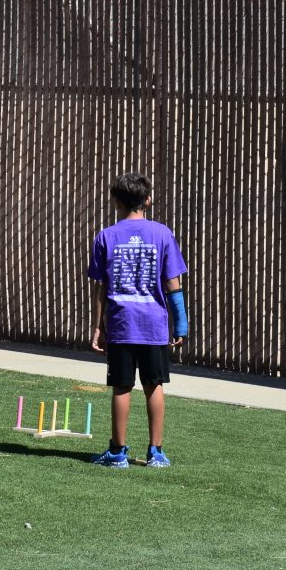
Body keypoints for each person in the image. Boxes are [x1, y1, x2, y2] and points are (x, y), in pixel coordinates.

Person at [88, 173, 188, 469]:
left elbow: (100, 288)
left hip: (120, 325)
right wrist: (180, 323)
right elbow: (174, 283)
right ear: (148, 200)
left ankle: (118, 453)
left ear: (116, 202)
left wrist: (98, 326)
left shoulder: (105, 236)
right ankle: (155, 452)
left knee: (121, 386)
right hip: (154, 326)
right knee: (153, 384)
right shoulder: (162, 234)